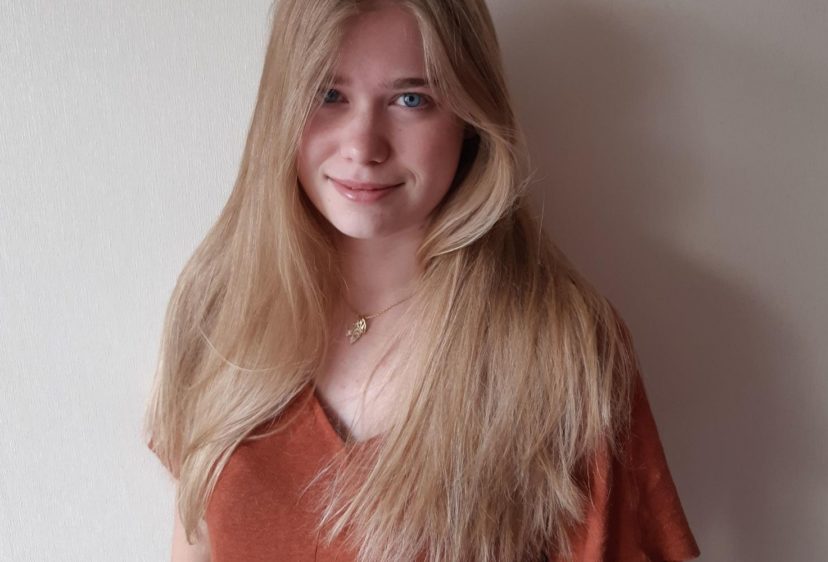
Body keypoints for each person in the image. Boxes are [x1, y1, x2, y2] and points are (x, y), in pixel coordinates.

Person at [144, 1, 701, 561]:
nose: (363, 147)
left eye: (411, 99)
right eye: (328, 94)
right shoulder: (217, 311)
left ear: (470, 119)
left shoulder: (564, 352)